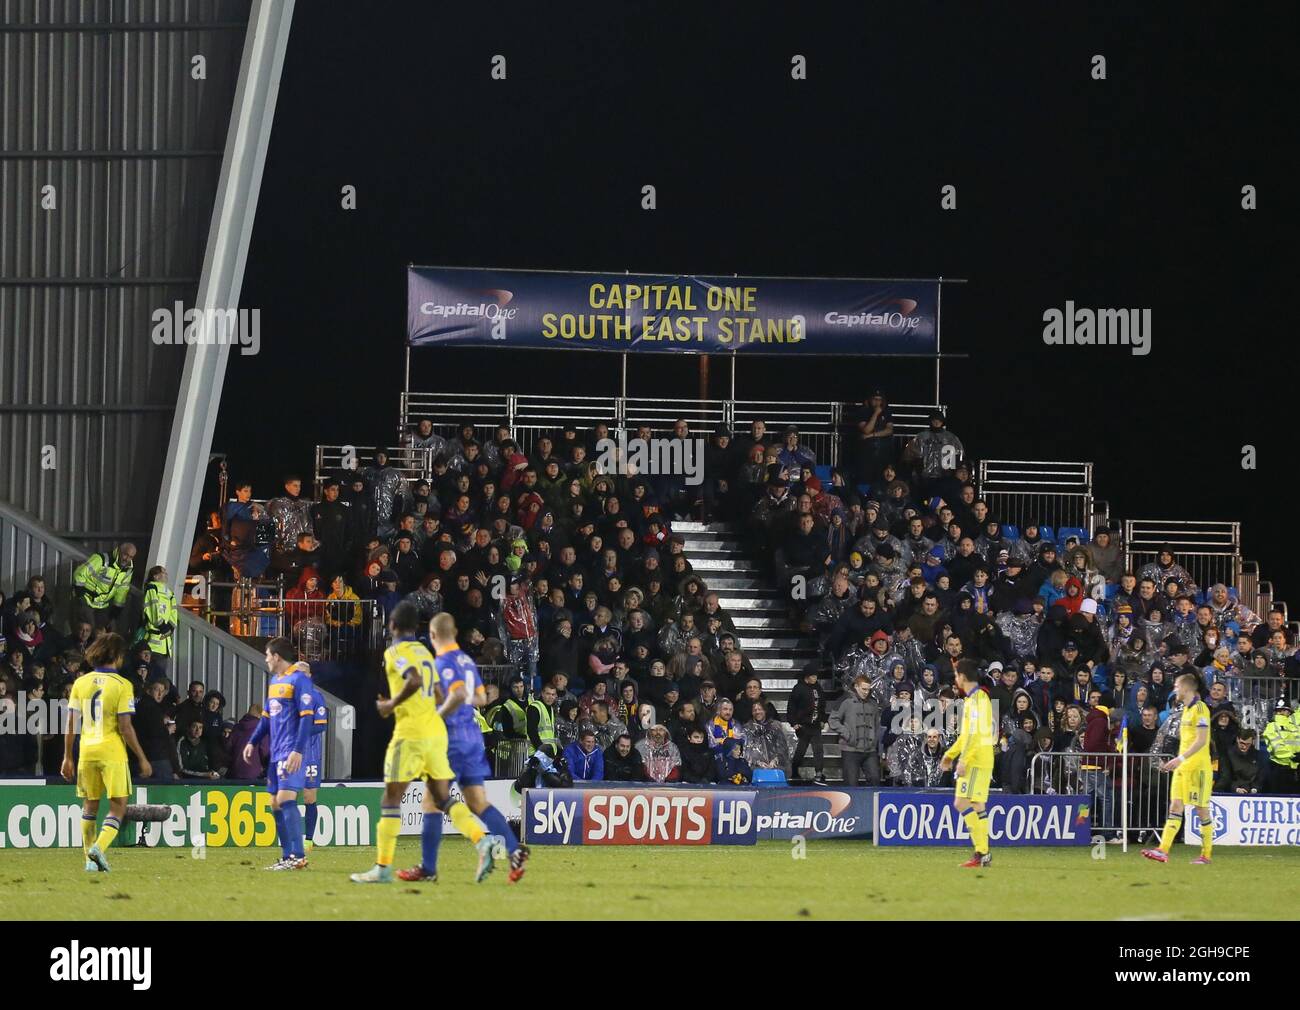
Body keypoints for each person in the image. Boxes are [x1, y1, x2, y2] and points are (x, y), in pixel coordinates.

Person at [351, 604, 494, 885]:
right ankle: (482, 841)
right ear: (416, 628)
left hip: (411, 733)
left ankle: (382, 868)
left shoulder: (395, 652)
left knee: (391, 799)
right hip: (435, 733)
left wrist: (390, 704)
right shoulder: (425, 653)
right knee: (442, 798)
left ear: (392, 625)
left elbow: (414, 680)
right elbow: (440, 692)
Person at [425, 612, 529, 882]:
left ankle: (428, 868)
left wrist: (439, 714)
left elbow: (457, 695)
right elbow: (481, 697)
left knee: (431, 801)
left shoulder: (443, 663)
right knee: (477, 802)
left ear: (434, 635)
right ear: (455, 633)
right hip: (473, 738)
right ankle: (514, 850)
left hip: (453, 739)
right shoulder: (467, 662)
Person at [60, 633, 153, 872]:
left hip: (87, 751)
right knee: (118, 806)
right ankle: (98, 848)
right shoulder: (123, 685)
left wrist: (67, 757)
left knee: (89, 806)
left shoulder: (80, 683)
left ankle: (89, 861)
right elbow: (125, 727)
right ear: (117, 655)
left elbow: (71, 723)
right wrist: (142, 758)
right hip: (112, 752)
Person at [243, 639, 316, 870]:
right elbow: (266, 718)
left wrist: (298, 750)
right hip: (275, 754)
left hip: (290, 752)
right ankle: (287, 857)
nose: (265, 659)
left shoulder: (299, 680)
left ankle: (298, 856)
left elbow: (307, 717)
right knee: (275, 803)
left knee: (285, 799)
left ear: (276, 656)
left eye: (267, 655)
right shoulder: (275, 682)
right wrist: (252, 742)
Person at [1143, 672, 1215, 865]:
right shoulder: (1186, 710)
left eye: (1176, 686)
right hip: (1183, 767)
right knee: (1175, 806)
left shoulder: (1201, 709)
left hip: (1198, 768)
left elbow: (1201, 741)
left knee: (1201, 810)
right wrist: (1174, 761)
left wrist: (1180, 758)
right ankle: (1163, 850)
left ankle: (1206, 855)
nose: (1174, 689)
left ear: (1185, 688)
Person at [940, 662, 995, 868]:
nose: (955, 679)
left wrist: (964, 760)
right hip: (978, 757)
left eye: (956, 675)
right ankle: (983, 853)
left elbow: (977, 734)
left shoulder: (979, 699)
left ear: (962, 676)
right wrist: (950, 755)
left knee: (966, 803)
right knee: (970, 804)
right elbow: (966, 735)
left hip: (977, 759)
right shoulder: (974, 699)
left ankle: (982, 852)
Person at [829, 674, 881, 786]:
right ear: (856, 686)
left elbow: (877, 724)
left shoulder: (873, 704)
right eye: (863, 689)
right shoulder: (845, 701)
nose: (866, 692)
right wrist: (846, 733)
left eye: (868, 689)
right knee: (850, 783)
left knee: (875, 779)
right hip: (850, 749)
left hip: (870, 750)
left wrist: (875, 741)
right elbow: (833, 720)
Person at [72, 542, 136, 630]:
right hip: (86, 601)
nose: (127, 558)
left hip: (102, 607)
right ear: (119, 551)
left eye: (131, 557)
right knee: (89, 632)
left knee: (104, 634)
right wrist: (81, 599)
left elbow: (121, 593)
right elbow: (79, 574)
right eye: (125, 554)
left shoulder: (128, 570)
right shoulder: (101, 559)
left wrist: (114, 615)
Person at [786, 668, 827, 785]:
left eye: (816, 676)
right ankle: (794, 769)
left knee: (818, 749)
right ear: (806, 676)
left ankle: (819, 772)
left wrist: (823, 719)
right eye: (813, 676)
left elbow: (822, 705)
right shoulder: (798, 689)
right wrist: (793, 722)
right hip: (803, 725)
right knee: (801, 750)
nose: (815, 678)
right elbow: (791, 707)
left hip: (815, 725)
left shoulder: (818, 688)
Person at [137, 565, 177, 679]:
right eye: (163, 572)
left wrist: (171, 627)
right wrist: (163, 626)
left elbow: (174, 612)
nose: (166, 575)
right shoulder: (151, 588)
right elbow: (152, 607)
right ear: (155, 576)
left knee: (160, 678)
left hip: (165, 645)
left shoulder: (170, 593)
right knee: (150, 677)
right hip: (152, 643)